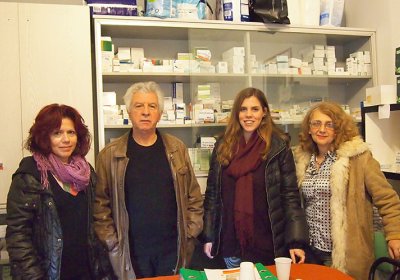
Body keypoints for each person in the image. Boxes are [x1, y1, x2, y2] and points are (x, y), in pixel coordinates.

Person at [94, 81, 204, 279]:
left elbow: (194, 197)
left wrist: (189, 234)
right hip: (131, 253)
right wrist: (112, 242)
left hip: (173, 250)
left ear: (160, 113)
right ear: (129, 111)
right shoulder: (110, 155)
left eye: (152, 106)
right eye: (139, 106)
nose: (145, 112)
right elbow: (101, 206)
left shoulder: (177, 149)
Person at [201, 87, 309, 268]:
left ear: (264, 112)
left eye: (255, 109)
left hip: (267, 243)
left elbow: (290, 197)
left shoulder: (278, 147)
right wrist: (209, 235)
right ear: (237, 113)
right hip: (230, 243)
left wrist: (295, 241)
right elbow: (212, 195)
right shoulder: (223, 146)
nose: (248, 115)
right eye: (243, 109)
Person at [6, 104, 116, 280]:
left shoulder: (86, 172)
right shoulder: (30, 175)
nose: (66, 139)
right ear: (44, 137)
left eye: (71, 133)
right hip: (50, 275)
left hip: (87, 273)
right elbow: (18, 238)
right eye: (57, 133)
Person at [293, 101, 400, 280]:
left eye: (330, 124)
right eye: (316, 123)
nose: (322, 129)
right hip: (310, 251)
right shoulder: (303, 160)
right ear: (309, 129)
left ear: (339, 128)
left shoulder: (358, 158)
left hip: (346, 253)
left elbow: (387, 199)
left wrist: (395, 235)